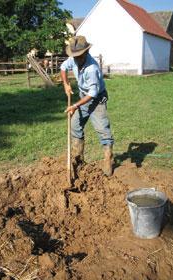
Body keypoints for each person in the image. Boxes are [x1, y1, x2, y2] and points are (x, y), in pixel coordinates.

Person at [60, 35, 114, 176]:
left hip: (96, 100)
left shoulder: (92, 68)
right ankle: (79, 159)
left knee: (102, 129)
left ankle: (108, 159)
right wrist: (65, 84)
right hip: (83, 98)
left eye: (79, 56)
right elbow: (63, 67)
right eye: (75, 56)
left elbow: (93, 93)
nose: (76, 59)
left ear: (86, 53)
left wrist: (75, 106)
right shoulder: (73, 59)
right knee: (74, 124)